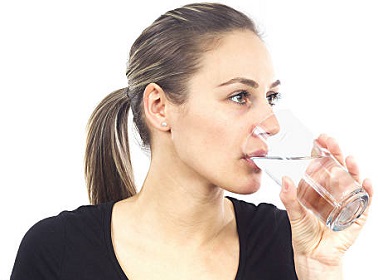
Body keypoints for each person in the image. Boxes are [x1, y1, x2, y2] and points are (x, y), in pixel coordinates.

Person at [11, 2, 373, 279]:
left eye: (270, 98)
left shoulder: (289, 243)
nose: (273, 124)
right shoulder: (55, 250)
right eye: (239, 97)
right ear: (159, 107)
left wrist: (319, 269)